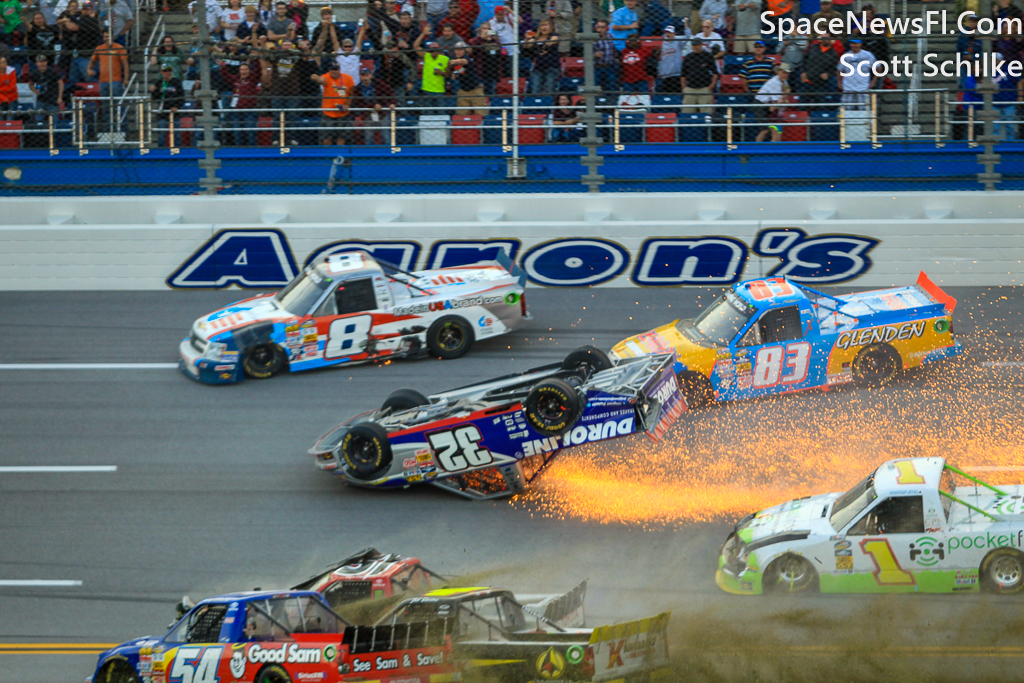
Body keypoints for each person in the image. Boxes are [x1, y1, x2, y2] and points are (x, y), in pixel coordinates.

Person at [87, 29, 128, 128]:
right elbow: (92, 61)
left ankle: (123, 128)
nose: (107, 38)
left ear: (113, 37)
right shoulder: (99, 48)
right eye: (105, 36)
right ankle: (109, 128)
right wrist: (89, 70)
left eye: (108, 36)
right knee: (106, 107)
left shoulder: (119, 48)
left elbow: (125, 65)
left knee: (118, 105)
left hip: (116, 80)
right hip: (103, 81)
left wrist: (126, 79)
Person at [311, 59, 353, 144]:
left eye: (335, 69)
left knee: (341, 138)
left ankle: (340, 156)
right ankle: (327, 156)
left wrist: (347, 104)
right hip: (328, 113)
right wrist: (316, 78)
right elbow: (321, 80)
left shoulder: (348, 78)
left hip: (342, 113)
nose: (333, 72)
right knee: (326, 138)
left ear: (339, 70)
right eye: (331, 69)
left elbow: (351, 93)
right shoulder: (327, 76)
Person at [351, 65, 395, 143]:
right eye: (363, 75)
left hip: (382, 113)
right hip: (367, 114)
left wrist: (392, 103)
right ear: (360, 76)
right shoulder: (358, 88)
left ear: (371, 75)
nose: (365, 78)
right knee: (368, 137)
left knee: (386, 136)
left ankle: (389, 153)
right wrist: (372, 106)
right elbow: (358, 103)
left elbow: (390, 93)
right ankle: (369, 154)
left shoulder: (379, 83)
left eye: (367, 75)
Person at [221, 60, 260, 144]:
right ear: (239, 71)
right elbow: (225, 76)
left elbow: (258, 71)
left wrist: (256, 60)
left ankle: (253, 151)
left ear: (249, 70)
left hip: (250, 110)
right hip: (236, 110)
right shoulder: (235, 79)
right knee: (237, 133)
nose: (244, 71)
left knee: (250, 132)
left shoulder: (253, 79)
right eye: (242, 69)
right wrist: (222, 66)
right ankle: (239, 151)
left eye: (246, 69)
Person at [413, 29, 449, 113]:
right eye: (431, 50)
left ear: (438, 50)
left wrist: (441, 73)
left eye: (435, 50)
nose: (433, 53)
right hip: (427, 89)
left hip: (439, 90)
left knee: (441, 113)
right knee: (427, 113)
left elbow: (448, 74)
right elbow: (415, 46)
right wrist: (422, 34)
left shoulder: (445, 59)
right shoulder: (426, 56)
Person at [150, 64, 185, 146]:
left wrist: (177, 107)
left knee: (176, 133)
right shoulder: (158, 82)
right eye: (165, 71)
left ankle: (178, 149)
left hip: (174, 111)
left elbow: (182, 96)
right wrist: (153, 91)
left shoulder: (176, 81)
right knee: (161, 133)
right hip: (163, 111)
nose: (167, 73)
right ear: (161, 72)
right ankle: (161, 150)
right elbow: (155, 98)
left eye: (169, 71)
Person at [448, 40, 486, 114]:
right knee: (461, 113)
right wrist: (454, 74)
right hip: (463, 90)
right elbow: (454, 76)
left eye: (460, 50)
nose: (458, 52)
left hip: (475, 89)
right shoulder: (453, 60)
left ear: (464, 51)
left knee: (481, 113)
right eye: (456, 50)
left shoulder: (466, 58)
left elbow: (464, 61)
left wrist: (455, 61)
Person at [680, 36, 716, 114]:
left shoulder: (708, 56)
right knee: (687, 113)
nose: (694, 47)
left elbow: (715, 72)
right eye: (693, 45)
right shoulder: (688, 57)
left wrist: (711, 85)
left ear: (701, 45)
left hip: (704, 88)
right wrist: (684, 87)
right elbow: (683, 74)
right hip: (690, 88)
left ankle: (707, 126)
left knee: (707, 114)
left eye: (696, 45)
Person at [524, 18, 559, 95]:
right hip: (538, 68)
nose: (544, 27)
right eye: (542, 25)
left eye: (546, 25)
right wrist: (527, 38)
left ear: (551, 27)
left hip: (551, 66)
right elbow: (527, 46)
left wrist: (542, 45)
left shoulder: (553, 35)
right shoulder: (536, 37)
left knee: (549, 89)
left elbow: (551, 41)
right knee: (535, 90)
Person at [801, 32, 839, 103]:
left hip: (821, 85)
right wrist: (803, 72)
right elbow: (804, 59)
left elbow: (833, 69)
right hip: (807, 82)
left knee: (819, 107)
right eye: (822, 38)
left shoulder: (833, 53)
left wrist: (828, 74)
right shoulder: (814, 47)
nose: (824, 40)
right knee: (803, 105)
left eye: (826, 38)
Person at [468, 23, 504, 95]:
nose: (486, 31)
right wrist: (481, 38)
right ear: (480, 30)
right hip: (481, 72)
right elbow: (472, 51)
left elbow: (502, 55)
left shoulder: (495, 41)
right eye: (484, 29)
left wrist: (493, 39)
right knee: (481, 94)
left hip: (492, 72)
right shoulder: (476, 40)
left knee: (491, 92)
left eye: (487, 29)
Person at [839, 38, 874, 108]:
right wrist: (839, 82)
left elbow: (878, 68)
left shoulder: (867, 55)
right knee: (847, 108)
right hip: (848, 86)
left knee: (864, 108)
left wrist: (873, 81)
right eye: (851, 43)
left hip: (863, 86)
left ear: (860, 44)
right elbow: (839, 69)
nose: (853, 45)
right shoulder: (846, 56)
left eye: (855, 43)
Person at [29, 53, 63, 121]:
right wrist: (35, 91)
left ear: (46, 62)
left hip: (53, 99)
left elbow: (61, 83)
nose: (43, 64)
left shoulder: (53, 72)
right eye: (40, 62)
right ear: (37, 63)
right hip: (41, 100)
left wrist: (60, 97)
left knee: (54, 121)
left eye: (44, 61)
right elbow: (30, 84)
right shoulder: (34, 73)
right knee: (38, 120)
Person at [593, 19, 618, 93]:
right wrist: (595, 54)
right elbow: (586, 53)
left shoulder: (610, 36)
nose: (600, 29)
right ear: (595, 28)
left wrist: (615, 58)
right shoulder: (593, 38)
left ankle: (611, 101)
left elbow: (613, 48)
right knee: (596, 86)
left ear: (607, 28)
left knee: (612, 85)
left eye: (602, 27)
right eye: (598, 27)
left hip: (609, 66)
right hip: (597, 67)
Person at [656, 24, 682, 93]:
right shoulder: (661, 43)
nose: (668, 34)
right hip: (665, 75)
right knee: (666, 95)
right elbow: (659, 59)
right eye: (666, 32)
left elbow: (688, 36)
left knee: (677, 94)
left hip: (676, 75)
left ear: (674, 34)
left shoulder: (678, 42)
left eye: (670, 32)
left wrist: (686, 26)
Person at [0, 55, 19, 120]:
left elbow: (13, 87)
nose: (5, 63)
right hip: (1, 98)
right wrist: (3, 97)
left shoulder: (11, 70)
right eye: (2, 62)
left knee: (10, 119)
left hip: (12, 97)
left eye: (5, 61)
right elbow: (9, 87)